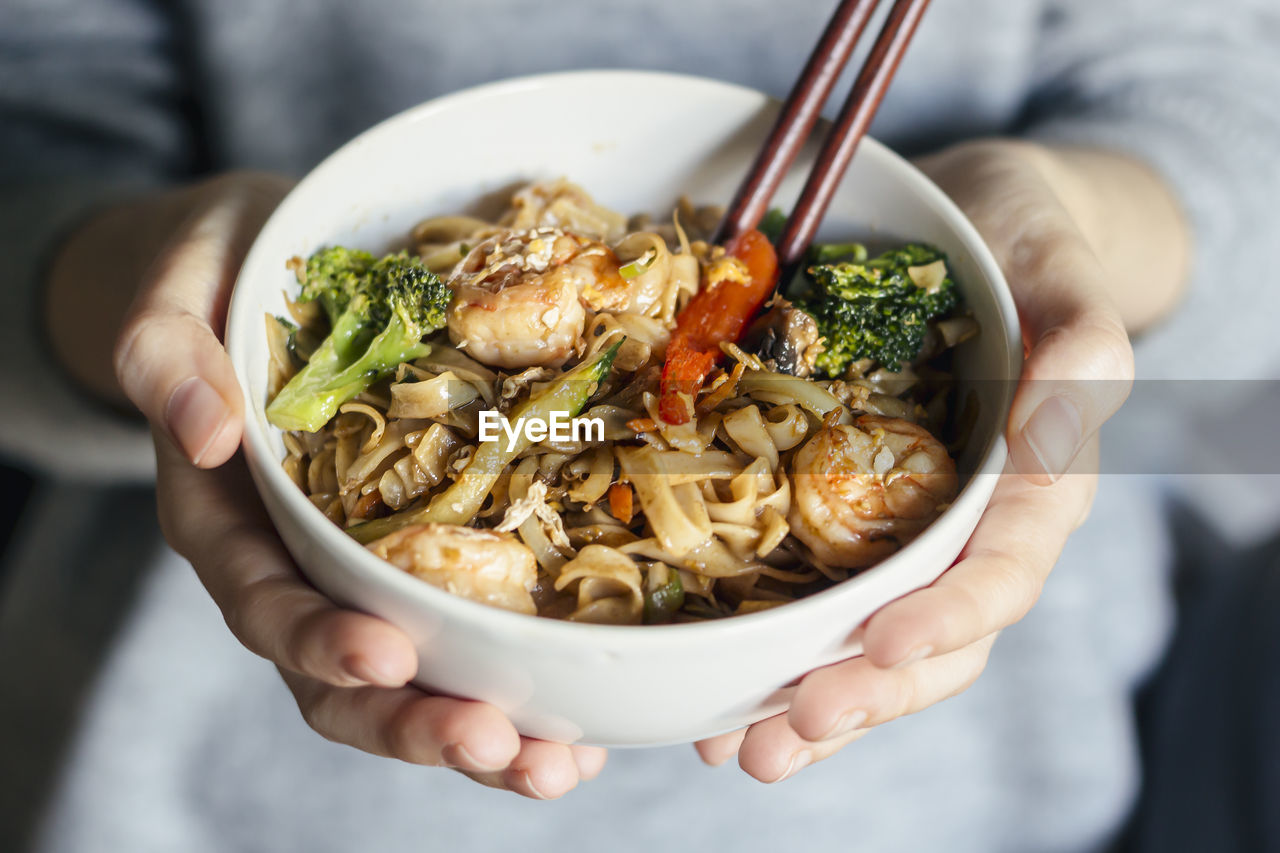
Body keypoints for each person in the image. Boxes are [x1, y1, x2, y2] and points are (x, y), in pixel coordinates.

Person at [1, 0, 1277, 850]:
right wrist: (157, 290)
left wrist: (1065, 222)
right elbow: (33, 164)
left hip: (970, 799)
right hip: (197, 792)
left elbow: (1231, 145)